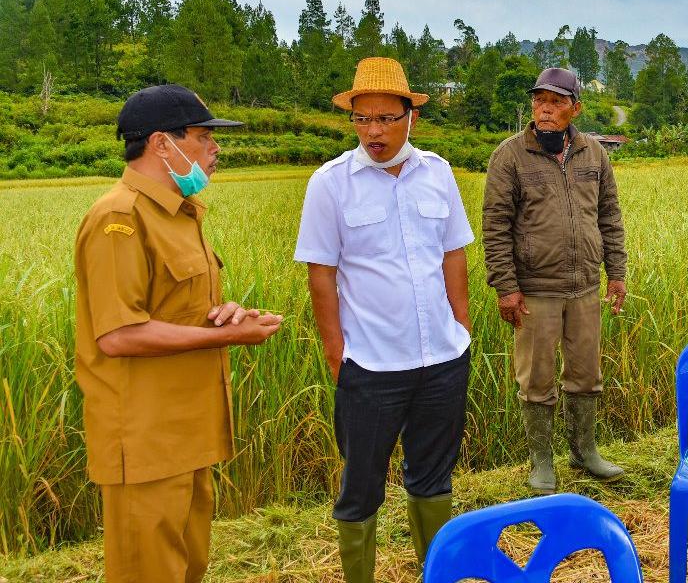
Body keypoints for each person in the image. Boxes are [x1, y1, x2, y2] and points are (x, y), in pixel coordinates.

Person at [74, 84, 282, 582]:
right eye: (203, 137)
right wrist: (227, 337)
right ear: (161, 143)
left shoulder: (180, 215)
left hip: (189, 433)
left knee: (188, 569)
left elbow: (177, 313)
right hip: (145, 441)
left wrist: (226, 315)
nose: (215, 150)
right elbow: (118, 335)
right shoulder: (118, 218)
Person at [294, 58, 474, 581]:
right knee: (361, 484)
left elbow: (454, 255)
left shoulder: (437, 173)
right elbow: (321, 275)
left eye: (385, 119)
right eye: (362, 119)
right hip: (370, 366)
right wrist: (337, 356)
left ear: (409, 116)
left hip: (442, 359)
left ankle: (434, 571)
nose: (374, 131)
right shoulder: (330, 185)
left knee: (433, 478)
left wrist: (460, 330)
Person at [482, 67, 628, 494]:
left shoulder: (594, 154)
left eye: (556, 101)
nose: (545, 109)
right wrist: (506, 287)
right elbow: (495, 226)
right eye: (539, 100)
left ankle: (585, 452)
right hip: (535, 291)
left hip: (583, 287)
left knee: (585, 374)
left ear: (575, 108)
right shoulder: (509, 156)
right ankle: (541, 462)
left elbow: (609, 217)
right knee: (537, 378)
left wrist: (615, 273)